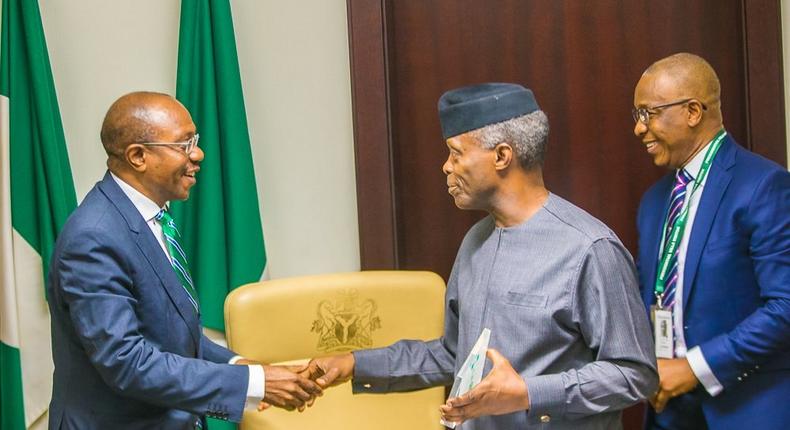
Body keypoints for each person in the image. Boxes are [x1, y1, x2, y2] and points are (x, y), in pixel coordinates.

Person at [302, 83, 657, 429]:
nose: (446, 166)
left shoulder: (590, 248)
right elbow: (453, 355)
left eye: (456, 153)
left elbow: (634, 374)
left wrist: (528, 393)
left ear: (502, 156)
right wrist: (355, 364)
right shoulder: (475, 240)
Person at [46, 92, 321, 429]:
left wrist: (242, 366)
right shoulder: (95, 237)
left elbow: (168, 336)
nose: (198, 154)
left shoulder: (153, 218)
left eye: (196, 140)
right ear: (138, 156)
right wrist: (255, 384)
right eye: (184, 144)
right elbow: (126, 362)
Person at [632, 53, 790, 429]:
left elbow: (785, 305)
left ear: (692, 111)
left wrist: (695, 368)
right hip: (667, 409)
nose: (639, 129)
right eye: (636, 116)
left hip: (745, 408)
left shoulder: (762, 186)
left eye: (648, 113)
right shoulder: (655, 201)